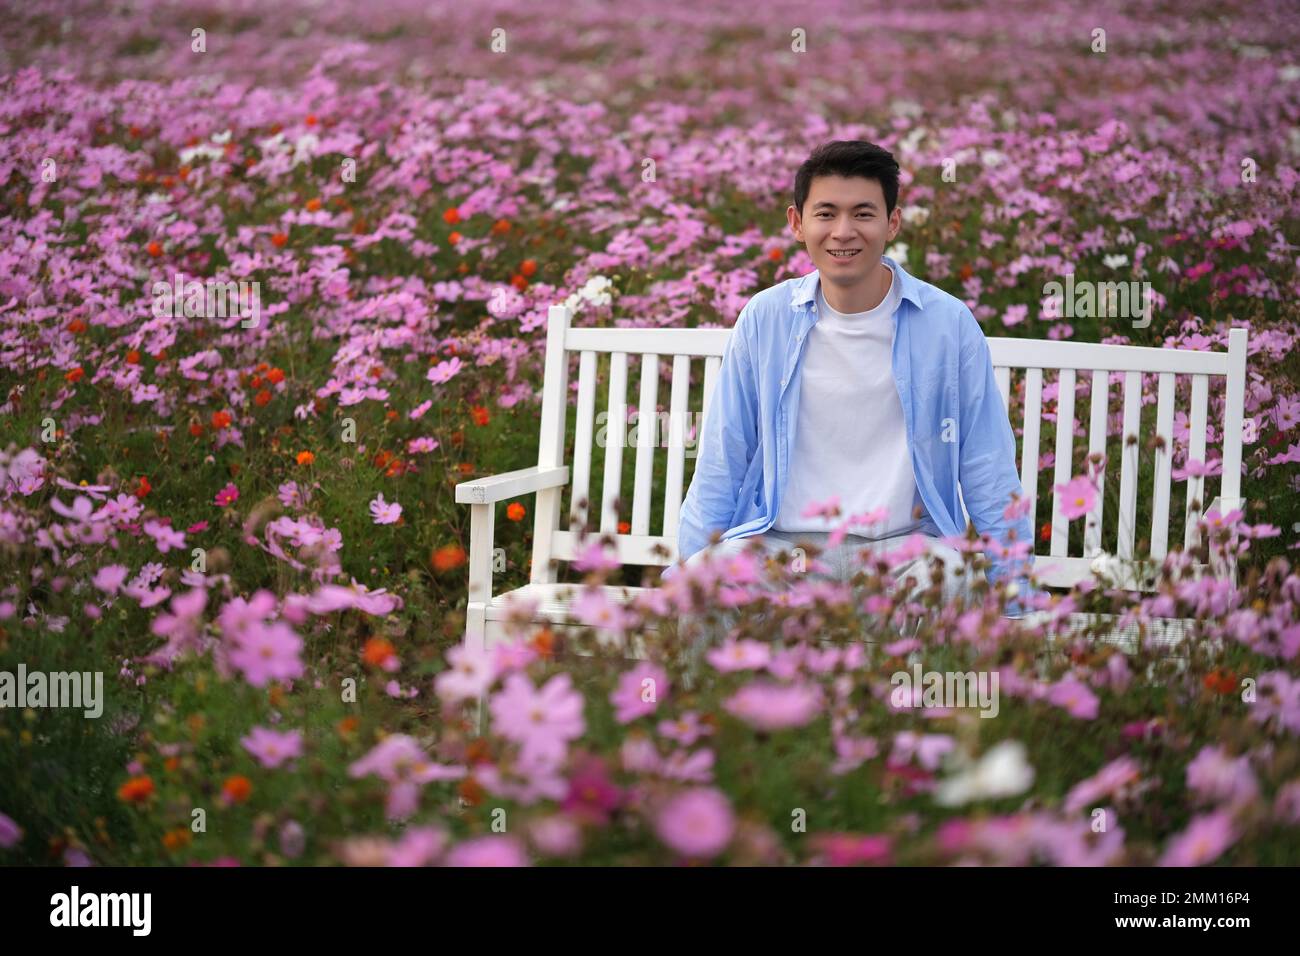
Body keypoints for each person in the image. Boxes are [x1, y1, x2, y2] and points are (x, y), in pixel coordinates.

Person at [662, 140, 1041, 640]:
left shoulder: (947, 323)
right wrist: (689, 565)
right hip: (783, 548)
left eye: (863, 213)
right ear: (797, 223)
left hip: (904, 549)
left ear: (893, 222)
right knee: (702, 589)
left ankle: (917, 719)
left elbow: (986, 464)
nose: (844, 232)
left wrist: (1014, 593)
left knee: (951, 583)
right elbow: (724, 453)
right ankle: (724, 718)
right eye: (826, 213)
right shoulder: (766, 318)